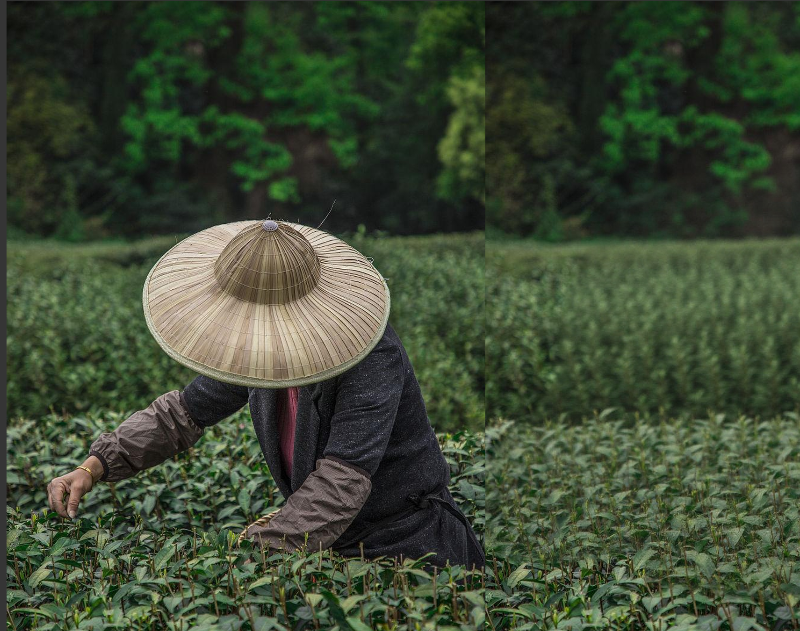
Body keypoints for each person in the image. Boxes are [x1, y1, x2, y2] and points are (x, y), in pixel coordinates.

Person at [45, 219, 485, 571]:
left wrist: (251, 557)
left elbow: (342, 480)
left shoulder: (371, 356)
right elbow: (185, 412)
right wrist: (96, 465)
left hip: (407, 551)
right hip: (326, 547)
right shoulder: (263, 351)